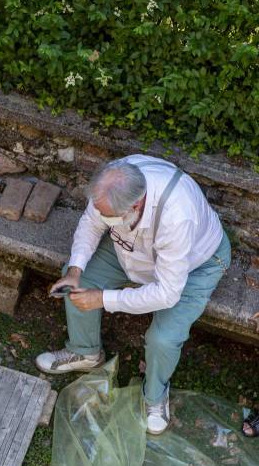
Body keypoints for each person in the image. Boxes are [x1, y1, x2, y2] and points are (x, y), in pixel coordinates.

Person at [35, 155, 230, 435]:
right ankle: (85, 352)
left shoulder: (177, 215)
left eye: (108, 217)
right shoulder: (112, 181)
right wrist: (76, 269)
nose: (102, 218)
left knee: (163, 338)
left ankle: (155, 397)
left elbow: (166, 293)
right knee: (77, 281)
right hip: (132, 251)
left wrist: (103, 299)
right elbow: (91, 225)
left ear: (135, 206)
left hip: (195, 265)